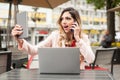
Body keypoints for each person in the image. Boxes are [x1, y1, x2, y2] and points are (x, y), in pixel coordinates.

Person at [11, 7, 95, 70]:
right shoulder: (55, 36)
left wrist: (78, 39)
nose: (64, 21)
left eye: (68, 18)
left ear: (76, 22)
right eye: (62, 19)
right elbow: (34, 50)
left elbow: (90, 59)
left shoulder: (83, 38)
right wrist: (20, 40)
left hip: (78, 76)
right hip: (57, 75)